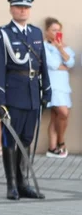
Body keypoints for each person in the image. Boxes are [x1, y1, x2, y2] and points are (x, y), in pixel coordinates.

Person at [0, 0, 50, 200]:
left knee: (26, 138)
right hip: (12, 95)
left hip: (32, 93)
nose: (23, 10)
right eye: (18, 7)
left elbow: (43, 63)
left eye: (26, 7)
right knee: (10, 139)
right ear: (11, 10)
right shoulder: (3, 34)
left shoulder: (36, 33)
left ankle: (23, 182)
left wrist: (47, 90)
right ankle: (12, 185)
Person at [44, 17, 74, 158]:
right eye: (53, 30)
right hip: (52, 85)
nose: (56, 32)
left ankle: (52, 148)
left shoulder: (65, 47)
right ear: (47, 32)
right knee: (63, 113)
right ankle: (61, 143)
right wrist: (63, 65)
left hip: (63, 86)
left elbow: (71, 63)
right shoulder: (44, 46)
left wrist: (61, 49)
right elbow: (52, 64)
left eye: (58, 30)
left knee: (56, 116)